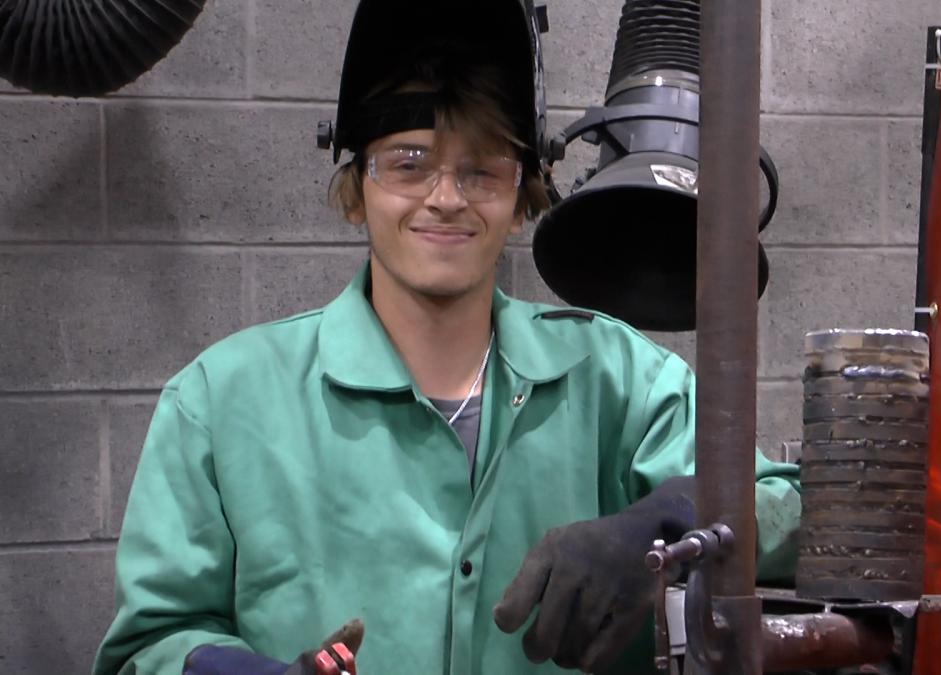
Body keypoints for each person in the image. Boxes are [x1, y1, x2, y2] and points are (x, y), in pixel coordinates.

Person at [92, 1, 803, 673]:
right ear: (356, 187)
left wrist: (668, 526)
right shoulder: (221, 403)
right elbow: (149, 643)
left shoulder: (616, 379)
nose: (445, 195)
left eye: (483, 168)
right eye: (408, 161)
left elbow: (791, 503)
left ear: (522, 195)